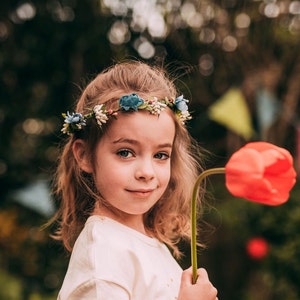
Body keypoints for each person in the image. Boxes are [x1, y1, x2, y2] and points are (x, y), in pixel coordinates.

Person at [52, 61, 218, 300]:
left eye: (161, 155)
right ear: (84, 155)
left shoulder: (149, 243)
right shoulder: (103, 254)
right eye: (125, 152)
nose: (146, 172)